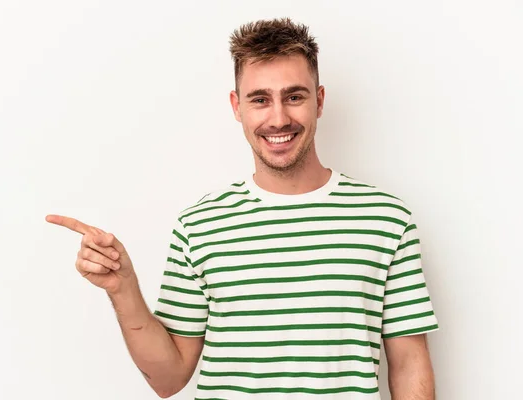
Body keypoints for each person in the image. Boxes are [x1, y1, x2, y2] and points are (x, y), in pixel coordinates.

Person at [46, 17, 439, 399]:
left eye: (294, 96)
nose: (279, 118)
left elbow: (408, 364)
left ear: (319, 101)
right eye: (260, 100)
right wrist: (123, 288)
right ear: (238, 107)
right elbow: (168, 379)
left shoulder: (387, 220)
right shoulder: (199, 226)